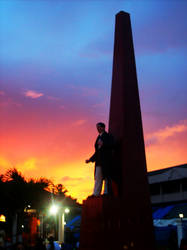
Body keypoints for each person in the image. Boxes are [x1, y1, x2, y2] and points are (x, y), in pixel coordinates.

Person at [85, 122, 114, 197]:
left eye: (99, 127)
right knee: (98, 177)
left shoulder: (108, 136)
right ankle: (96, 193)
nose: (97, 129)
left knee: (106, 177)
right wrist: (90, 160)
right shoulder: (98, 137)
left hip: (106, 161)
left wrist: (103, 144)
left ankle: (106, 192)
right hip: (98, 161)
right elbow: (97, 152)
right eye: (97, 127)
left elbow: (112, 145)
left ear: (103, 127)